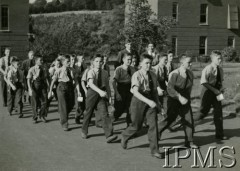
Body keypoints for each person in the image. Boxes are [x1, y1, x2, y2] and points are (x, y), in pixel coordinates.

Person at [121, 54, 163, 159]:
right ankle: (125, 136)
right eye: (146, 63)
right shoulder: (137, 75)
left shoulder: (153, 75)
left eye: (150, 63)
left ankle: (155, 150)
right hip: (138, 101)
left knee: (153, 125)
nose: (148, 65)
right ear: (140, 64)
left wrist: (158, 104)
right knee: (136, 126)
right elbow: (135, 92)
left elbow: (154, 92)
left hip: (150, 101)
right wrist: (149, 102)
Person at [158, 54, 195, 148]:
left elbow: (189, 88)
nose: (191, 64)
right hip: (174, 99)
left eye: (191, 62)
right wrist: (179, 97)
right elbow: (170, 88)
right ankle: (157, 131)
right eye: (188, 62)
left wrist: (187, 99)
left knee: (188, 119)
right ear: (182, 63)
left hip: (185, 100)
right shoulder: (175, 73)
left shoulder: (190, 74)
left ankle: (189, 141)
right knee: (170, 119)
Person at [81, 54, 117, 143]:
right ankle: (84, 130)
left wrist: (110, 97)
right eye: (96, 61)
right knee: (88, 112)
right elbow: (91, 84)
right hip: (92, 93)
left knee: (104, 114)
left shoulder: (105, 72)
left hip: (102, 94)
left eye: (100, 61)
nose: (99, 63)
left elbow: (107, 86)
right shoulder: (91, 71)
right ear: (93, 62)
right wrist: (99, 92)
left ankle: (109, 135)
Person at [194, 50, 227, 140]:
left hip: (217, 93)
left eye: (221, 58)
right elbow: (204, 82)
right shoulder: (208, 68)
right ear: (212, 59)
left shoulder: (220, 69)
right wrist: (214, 90)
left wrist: (221, 89)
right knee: (202, 113)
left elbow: (220, 81)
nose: (220, 60)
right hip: (208, 92)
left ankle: (219, 134)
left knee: (218, 113)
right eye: (218, 58)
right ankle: (190, 124)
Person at [48, 55, 75, 131]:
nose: (69, 63)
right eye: (67, 61)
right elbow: (53, 81)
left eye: (70, 61)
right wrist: (50, 91)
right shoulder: (59, 70)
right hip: (61, 87)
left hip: (70, 87)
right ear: (63, 62)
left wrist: (78, 91)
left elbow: (76, 81)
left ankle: (63, 115)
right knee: (63, 106)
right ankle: (64, 123)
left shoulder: (72, 70)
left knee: (71, 104)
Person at [112, 53, 136, 126]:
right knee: (119, 110)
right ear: (123, 60)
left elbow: (135, 79)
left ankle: (130, 126)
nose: (129, 61)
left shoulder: (132, 69)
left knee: (130, 109)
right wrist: (117, 93)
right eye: (128, 59)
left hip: (130, 89)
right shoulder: (119, 69)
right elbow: (114, 82)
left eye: (131, 59)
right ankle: (109, 122)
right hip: (121, 89)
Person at [27, 57, 48, 123]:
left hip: (43, 85)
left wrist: (49, 88)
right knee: (34, 102)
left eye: (42, 60)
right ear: (36, 61)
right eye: (40, 60)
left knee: (44, 101)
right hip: (35, 86)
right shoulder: (32, 69)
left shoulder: (44, 68)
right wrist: (30, 89)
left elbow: (47, 78)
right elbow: (28, 79)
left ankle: (42, 115)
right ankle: (34, 117)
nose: (42, 61)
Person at [152, 53, 168, 117]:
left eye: (167, 60)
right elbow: (155, 80)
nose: (166, 61)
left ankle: (165, 119)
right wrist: (158, 88)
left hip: (164, 86)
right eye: (165, 60)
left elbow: (166, 78)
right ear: (159, 60)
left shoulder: (165, 68)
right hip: (158, 87)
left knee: (165, 103)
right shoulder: (156, 68)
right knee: (159, 104)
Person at [73, 54, 86, 124]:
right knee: (79, 103)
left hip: (84, 87)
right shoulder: (75, 66)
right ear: (78, 59)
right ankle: (77, 116)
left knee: (84, 103)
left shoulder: (85, 65)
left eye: (84, 58)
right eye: (82, 58)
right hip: (78, 87)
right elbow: (76, 76)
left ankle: (82, 115)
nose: (83, 59)